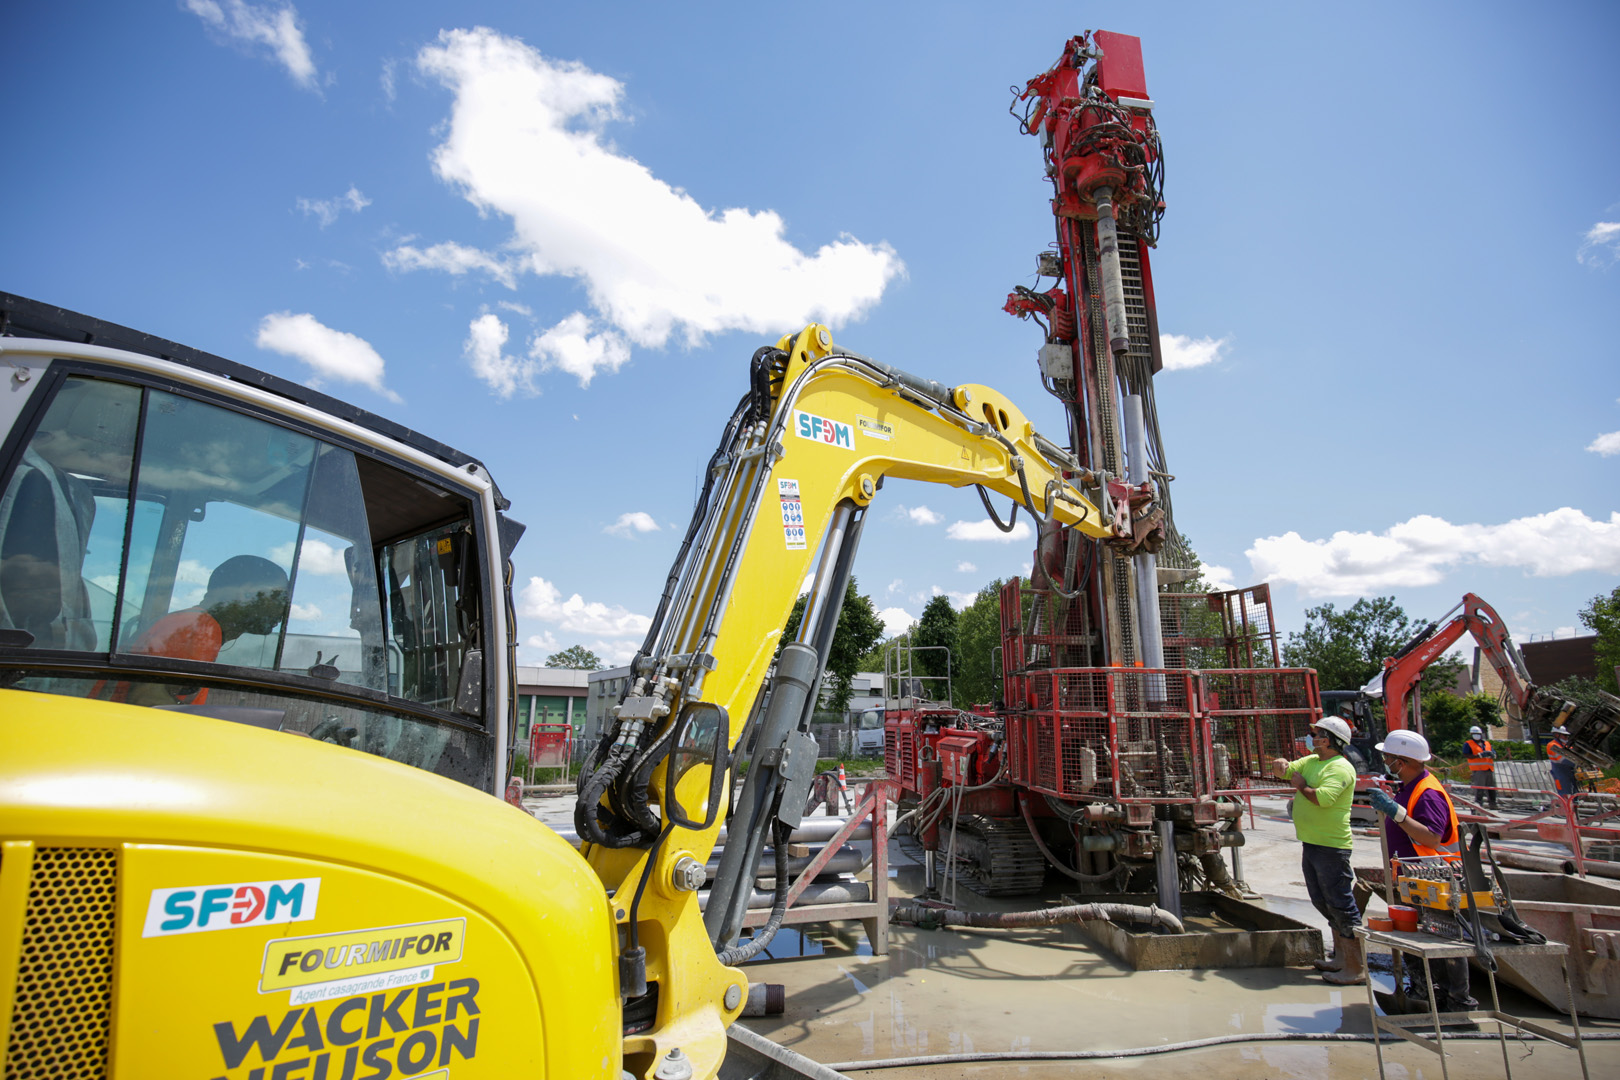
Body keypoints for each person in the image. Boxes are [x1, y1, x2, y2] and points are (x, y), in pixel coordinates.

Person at [1366, 728, 1478, 1012]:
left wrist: (1396, 812)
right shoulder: (1412, 785)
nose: (1386, 762)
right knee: (1415, 936)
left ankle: (1456, 1001)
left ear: (1401, 761)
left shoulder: (1428, 793)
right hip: (1415, 876)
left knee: (1444, 937)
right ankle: (1424, 991)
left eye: (1388, 757)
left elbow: (1431, 837)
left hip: (1435, 877)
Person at [104, 555, 289, 706]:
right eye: (280, 597)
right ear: (248, 592)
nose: (284, 609)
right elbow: (149, 705)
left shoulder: (194, 624)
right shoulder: (198, 628)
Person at [1270, 715, 1364, 985]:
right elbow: (1288, 770)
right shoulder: (1312, 761)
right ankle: (1340, 959)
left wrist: (1301, 786)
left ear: (1330, 740)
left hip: (1332, 846)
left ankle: (1355, 967)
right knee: (1323, 901)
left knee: (1342, 905)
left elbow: (1322, 799)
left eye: (1318, 733)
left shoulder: (1340, 768)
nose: (1313, 737)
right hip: (1312, 842)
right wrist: (1281, 766)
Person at [1465, 725, 1498, 809]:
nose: (1477, 735)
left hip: (1489, 769)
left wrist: (1492, 755)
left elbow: (1493, 753)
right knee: (1479, 788)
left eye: (1478, 734)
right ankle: (1479, 804)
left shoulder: (1487, 743)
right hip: (1478, 770)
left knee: (1491, 788)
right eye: (1475, 734)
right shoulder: (1468, 744)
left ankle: (1493, 804)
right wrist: (1478, 755)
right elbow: (1467, 754)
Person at [1547, 724, 1577, 798]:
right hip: (1560, 773)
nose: (1566, 737)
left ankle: (1574, 807)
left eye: (1567, 736)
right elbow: (1563, 760)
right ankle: (1566, 808)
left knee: (1574, 793)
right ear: (1557, 735)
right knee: (1564, 794)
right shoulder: (1552, 745)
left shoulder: (1565, 745)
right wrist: (1578, 764)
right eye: (1564, 735)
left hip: (1568, 772)